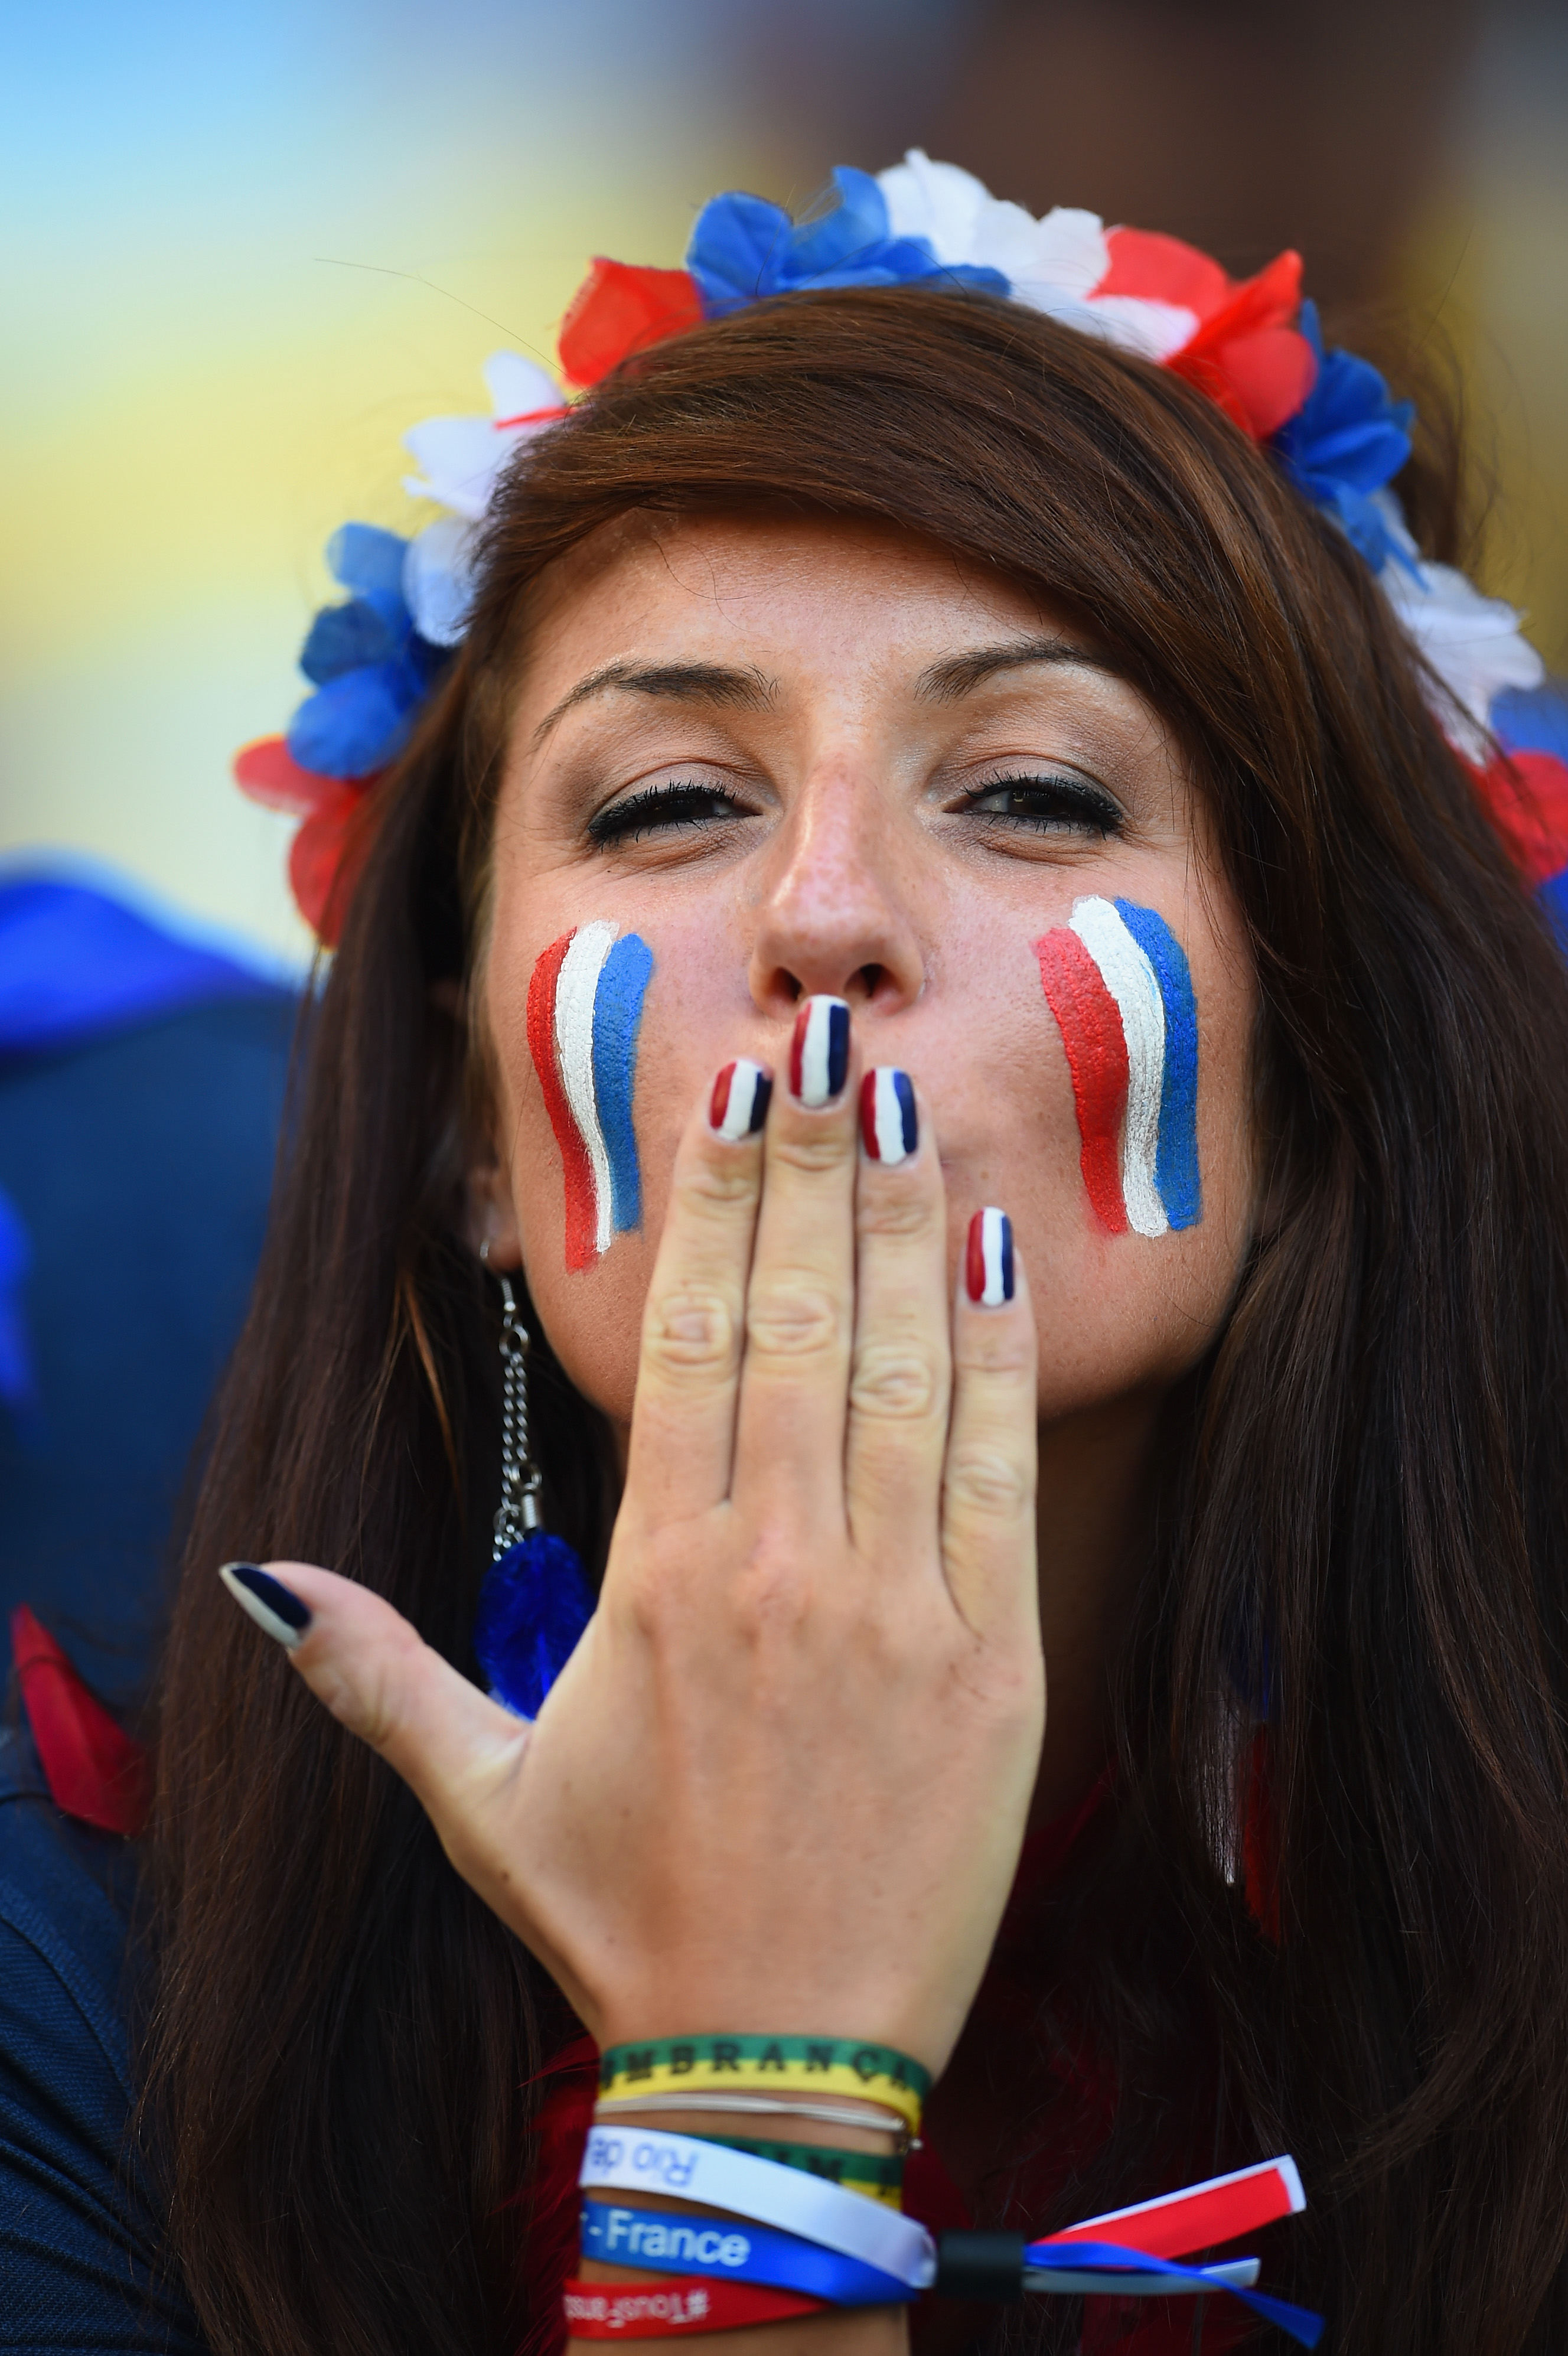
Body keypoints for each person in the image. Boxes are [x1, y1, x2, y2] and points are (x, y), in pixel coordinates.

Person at [6, 154, 1568, 2356]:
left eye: (1033, 792)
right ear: (468, 1135)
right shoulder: (53, 1981)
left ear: (1311, 1094)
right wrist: (760, 2086)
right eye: (669, 804)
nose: (824, 912)